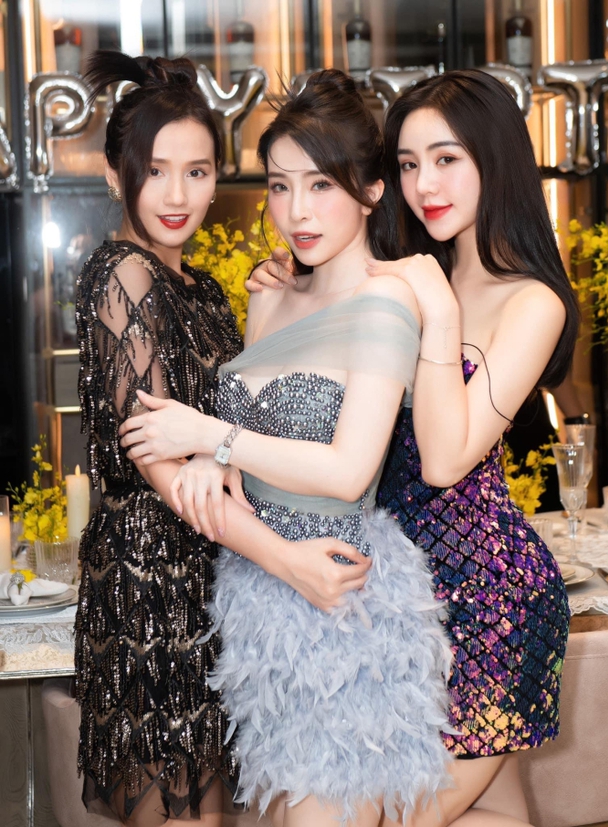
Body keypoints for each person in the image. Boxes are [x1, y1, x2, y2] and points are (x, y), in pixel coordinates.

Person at [120, 70, 454, 827]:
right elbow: (255, 439)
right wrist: (214, 458)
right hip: (253, 594)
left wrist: (209, 437)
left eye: (321, 186)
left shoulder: (385, 299)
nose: (296, 211)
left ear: (371, 191)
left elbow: (349, 469)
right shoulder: (269, 293)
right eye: (279, 186)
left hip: (340, 597)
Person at [245, 71, 580, 827]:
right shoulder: (401, 270)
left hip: (489, 601)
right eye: (406, 163)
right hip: (393, 598)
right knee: (491, 814)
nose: (423, 183)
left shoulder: (532, 302)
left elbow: (444, 459)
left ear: (495, 159)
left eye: (446, 159)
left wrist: (439, 312)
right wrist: (293, 287)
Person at [75, 53, 365, 827]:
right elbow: (166, 469)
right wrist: (291, 562)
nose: (178, 195)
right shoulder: (121, 276)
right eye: (156, 171)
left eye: (197, 171)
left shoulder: (200, 289)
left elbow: (234, 426)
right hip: (148, 594)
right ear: (114, 176)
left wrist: (287, 298)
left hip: (211, 588)